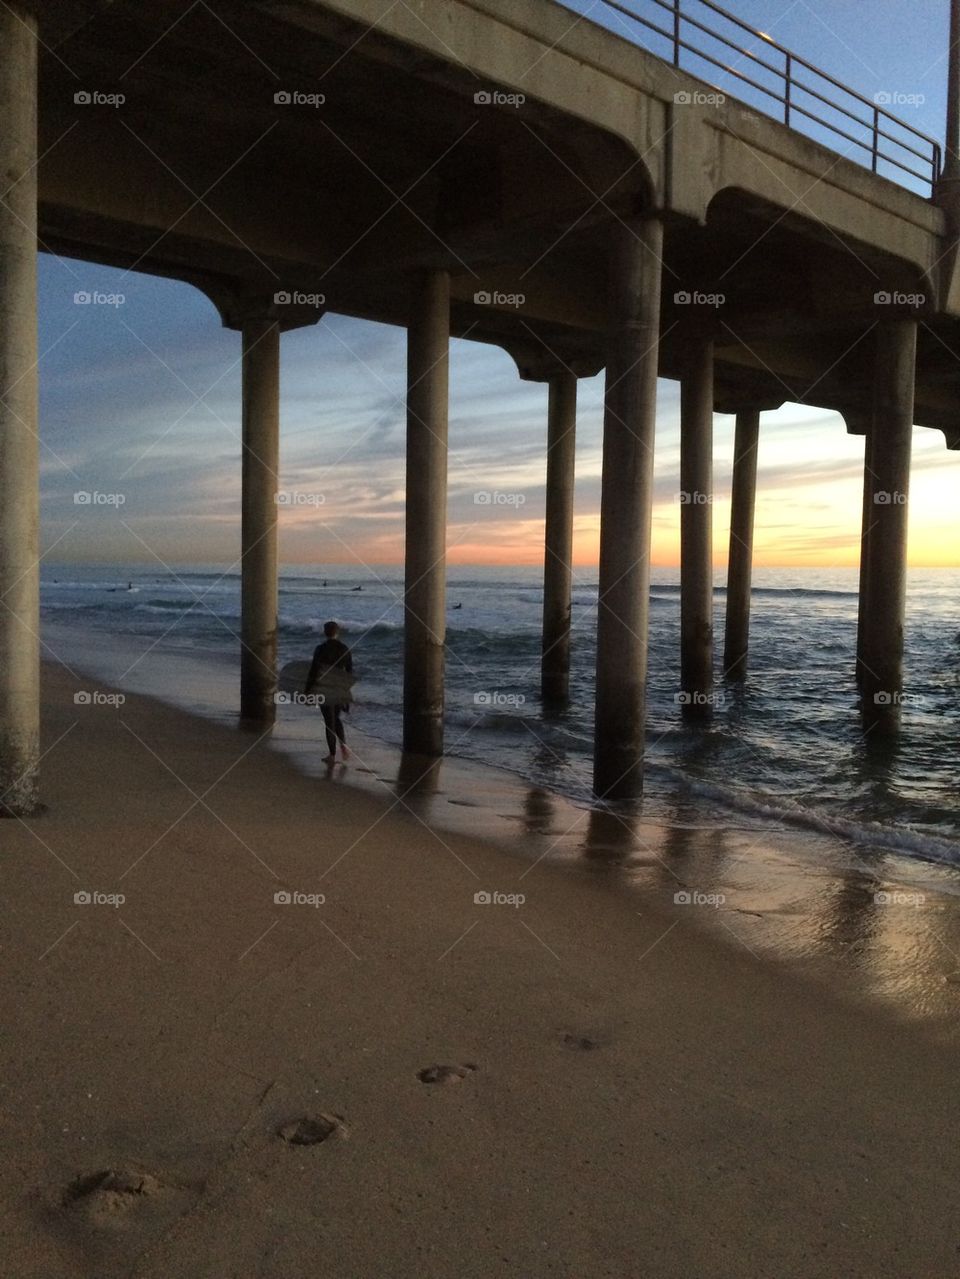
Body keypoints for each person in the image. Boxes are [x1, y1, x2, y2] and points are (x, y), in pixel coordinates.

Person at [305, 621, 353, 764]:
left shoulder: (320, 649)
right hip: (338, 689)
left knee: (329, 722)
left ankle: (332, 755)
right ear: (338, 632)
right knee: (336, 719)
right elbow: (349, 673)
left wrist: (308, 691)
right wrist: (347, 693)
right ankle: (343, 746)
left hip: (324, 688)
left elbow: (314, 671)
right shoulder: (345, 649)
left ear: (325, 632)